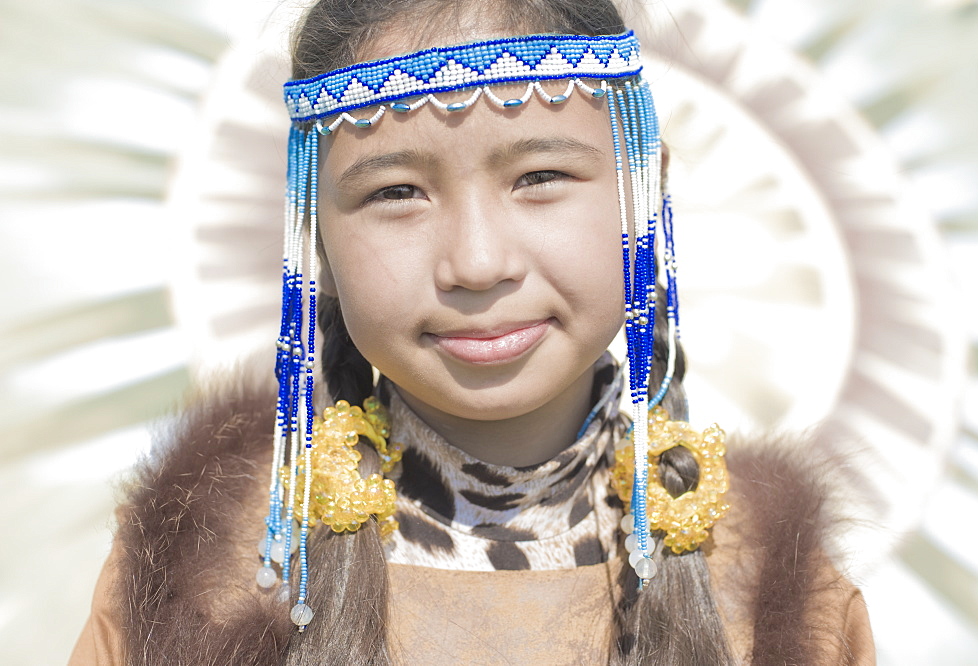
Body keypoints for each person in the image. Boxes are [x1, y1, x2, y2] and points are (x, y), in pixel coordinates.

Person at [70, 0, 875, 663]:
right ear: (316, 230)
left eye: (541, 177)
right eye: (396, 193)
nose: (478, 263)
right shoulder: (207, 571)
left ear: (643, 187)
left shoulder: (774, 594)